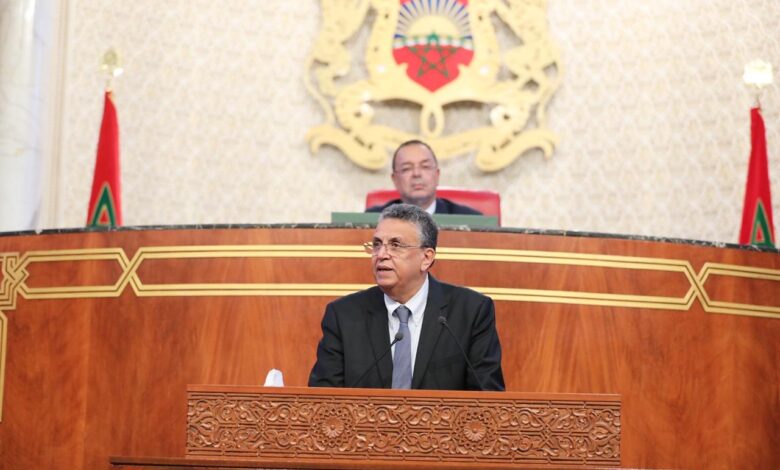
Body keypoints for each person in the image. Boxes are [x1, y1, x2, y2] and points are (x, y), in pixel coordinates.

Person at [308, 203, 504, 390]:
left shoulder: (471, 312)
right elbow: (323, 400)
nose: (381, 254)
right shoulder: (344, 315)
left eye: (395, 245)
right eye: (377, 245)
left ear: (426, 258)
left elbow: (488, 399)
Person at [366, 140, 483, 215]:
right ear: (394, 179)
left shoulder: (470, 220)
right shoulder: (373, 219)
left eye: (425, 166)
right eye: (407, 168)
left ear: (437, 175)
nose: (416, 173)